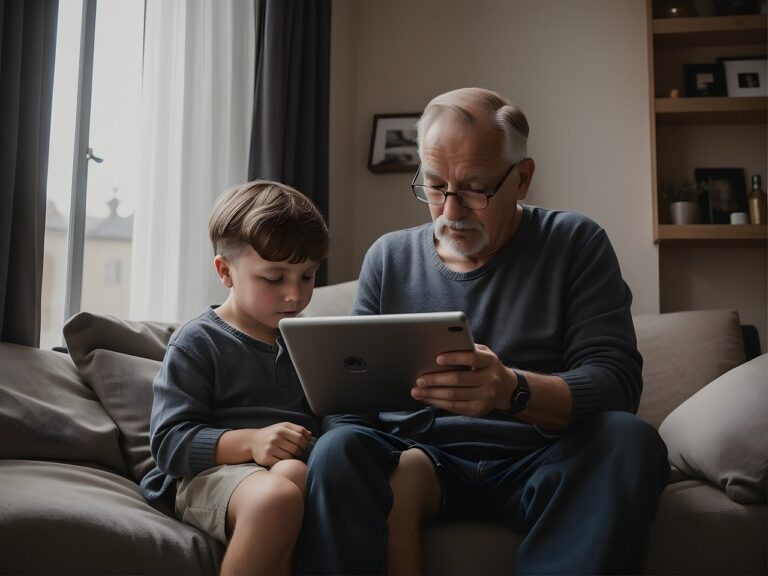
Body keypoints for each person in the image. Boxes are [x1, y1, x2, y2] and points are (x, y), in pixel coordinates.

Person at [296, 88, 670, 575]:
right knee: (336, 448)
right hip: (419, 463)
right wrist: (368, 457)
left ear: (522, 179)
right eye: (434, 186)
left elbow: (617, 384)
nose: (451, 210)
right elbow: (351, 404)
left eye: (475, 188)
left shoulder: (575, 243)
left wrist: (513, 390)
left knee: (630, 439)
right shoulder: (389, 257)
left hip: (540, 463)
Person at [139, 180, 328, 575]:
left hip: (284, 472)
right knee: (277, 495)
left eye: (307, 276)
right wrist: (254, 441)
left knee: (293, 476)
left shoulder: (312, 341)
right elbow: (168, 444)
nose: (295, 295)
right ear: (225, 272)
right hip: (204, 478)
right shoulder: (197, 342)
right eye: (274, 279)